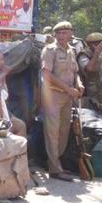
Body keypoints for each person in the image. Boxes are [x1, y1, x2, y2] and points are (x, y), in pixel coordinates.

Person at [41, 21, 84, 182]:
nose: (61, 36)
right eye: (58, 33)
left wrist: (79, 84)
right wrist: (68, 89)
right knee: (52, 132)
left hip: (68, 96)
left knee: (64, 132)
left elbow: (75, 72)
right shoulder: (49, 50)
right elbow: (47, 75)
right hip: (53, 95)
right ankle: (55, 169)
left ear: (71, 33)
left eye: (65, 32)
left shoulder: (72, 50)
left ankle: (55, 163)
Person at [77, 32, 102, 108]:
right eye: (101, 43)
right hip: (89, 94)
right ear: (92, 44)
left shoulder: (101, 54)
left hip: (101, 92)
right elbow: (89, 68)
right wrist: (96, 53)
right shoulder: (83, 54)